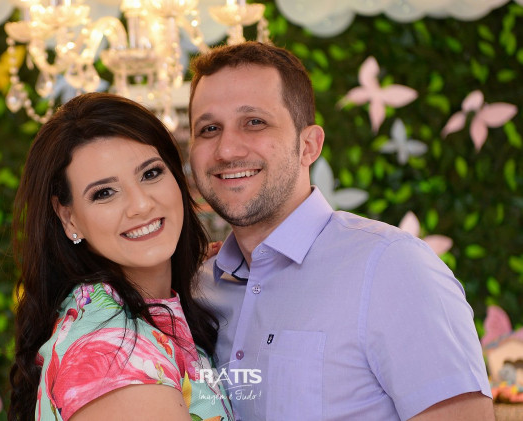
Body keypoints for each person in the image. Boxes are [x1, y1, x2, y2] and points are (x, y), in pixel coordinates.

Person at [188, 41, 494, 420]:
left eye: (254, 122)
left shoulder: (393, 267)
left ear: (309, 145)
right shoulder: (199, 289)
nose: (226, 150)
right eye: (209, 128)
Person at [8, 92, 234, 421]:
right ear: (69, 217)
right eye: (104, 193)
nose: (141, 204)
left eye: (151, 174)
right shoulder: (114, 355)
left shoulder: (126, 311)